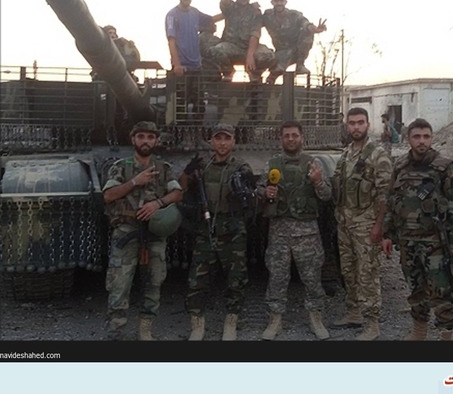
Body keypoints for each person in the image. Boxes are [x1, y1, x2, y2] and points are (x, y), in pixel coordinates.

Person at [382, 118, 453, 340]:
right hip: (407, 241)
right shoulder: (400, 165)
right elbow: (391, 201)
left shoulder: (443, 167)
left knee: (441, 291)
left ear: (431, 138)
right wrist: (387, 234)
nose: (422, 141)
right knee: (416, 288)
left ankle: (446, 336)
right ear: (408, 139)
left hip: (435, 241)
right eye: (417, 136)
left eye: (426, 136)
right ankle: (419, 332)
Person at [102, 121, 183, 340]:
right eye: (141, 137)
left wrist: (158, 203)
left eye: (150, 137)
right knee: (120, 282)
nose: (145, 141)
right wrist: (135, 182)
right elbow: (108, 195)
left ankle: (145, 330)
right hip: (126, 230)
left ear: (156, 141)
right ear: (133, 139)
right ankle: (116, 331)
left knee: (154, 281)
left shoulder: (163, 168)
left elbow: (177, 193)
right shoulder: (121, 166)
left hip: (153, 232)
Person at [255, 121, 332, 340]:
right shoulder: (272, 164)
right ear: (281, 139)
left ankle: (315, 317)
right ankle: (275, 319)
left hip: (307, 232)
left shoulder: (313, 164)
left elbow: (327, 195)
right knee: (277, 277)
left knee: (312, 277)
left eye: (294, 135)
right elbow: (259, 190)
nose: (290, 139)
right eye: (286, 135)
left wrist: (317, 182)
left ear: (301, 138)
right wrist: (265, 193)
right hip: (279, 231)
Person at [179, 123, 256, 341]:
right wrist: (187, 172)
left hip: (233, 228)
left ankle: (232, 320)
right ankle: (197, 323)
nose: (222, 143)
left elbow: (252, 198)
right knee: (197, 278)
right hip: (207, 227)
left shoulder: (241, 167)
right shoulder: (203, 166)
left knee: (236, 278)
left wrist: (246, 187)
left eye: (227, 138)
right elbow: (182, 188)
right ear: (211, 141)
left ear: (233, 142)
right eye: (218, 138)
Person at [331, 107, 393, 340]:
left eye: (360, 122)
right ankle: (354, 312)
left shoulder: (378, 155)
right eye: (352, 123)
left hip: (366, 225)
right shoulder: (346, 154)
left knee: (368, 273)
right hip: (345, 224)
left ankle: (372, 323)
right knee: (348, 271)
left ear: (367, 124)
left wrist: (379, 227)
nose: (356, 127)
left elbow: (385, 196)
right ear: (347, 126)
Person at [165, 0, 223, 121]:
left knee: (199, 104)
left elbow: (211, 19)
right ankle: (179, 133)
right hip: (182, 68)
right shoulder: (172, 15)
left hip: (197, 66)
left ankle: (198, 132)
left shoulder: (194, 12)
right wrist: (177, 65)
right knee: (180, 105)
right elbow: (171, 40)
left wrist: (230, 11)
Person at [204, 0, 275, 83]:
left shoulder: (255, 12)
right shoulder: (230, 8)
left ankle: (254, 73)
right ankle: (228, 72)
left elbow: (255, 35)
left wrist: (250, 55)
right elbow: (224, 4)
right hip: (231, 46)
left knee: (269, 56)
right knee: (216, 50)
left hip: (250, 48)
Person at [262, 0, 327, 85]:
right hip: (281, 53)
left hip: (297, 50)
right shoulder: (267, 16)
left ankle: (300, 65)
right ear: (272, 2)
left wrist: (315, 29)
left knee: (307, 33)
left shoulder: (294, 15)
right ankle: (268, 85)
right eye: (276, 0)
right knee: (275, 72)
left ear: (285, 1)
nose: (279, 3)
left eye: (281, 0)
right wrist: (252, 8)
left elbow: (306, 24)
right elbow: (255, 25)